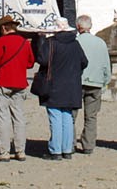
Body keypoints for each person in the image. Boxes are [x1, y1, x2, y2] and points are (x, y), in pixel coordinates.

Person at [36, 19, 87, 160]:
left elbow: (42, 60)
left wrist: (40, 41)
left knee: (56, 117)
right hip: (71, 86)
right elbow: (84, 62)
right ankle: (67, 149)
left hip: (53, 85)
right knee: (67, 118)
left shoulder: (51, 43)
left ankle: (56, 150)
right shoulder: (75, 44)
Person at [0, 15, 34, 161]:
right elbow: (30, 63)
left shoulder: (0, 42)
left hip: (2, 82)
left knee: (2, 117)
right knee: (19, 117)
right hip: (19, 82)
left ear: (3, 28)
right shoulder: (25, 43)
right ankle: (20, 150)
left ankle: (4, 152)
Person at [74, 15, 112, 155]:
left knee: (71, 116)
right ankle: (88, 145)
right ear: (91, 26)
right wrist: (105, 81)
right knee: (91, 116)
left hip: (77, 83)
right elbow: (106, 65)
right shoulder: (100, 42)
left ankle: (70, 143)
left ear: (78, 27)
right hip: (95, 83)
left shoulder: (75, 41)